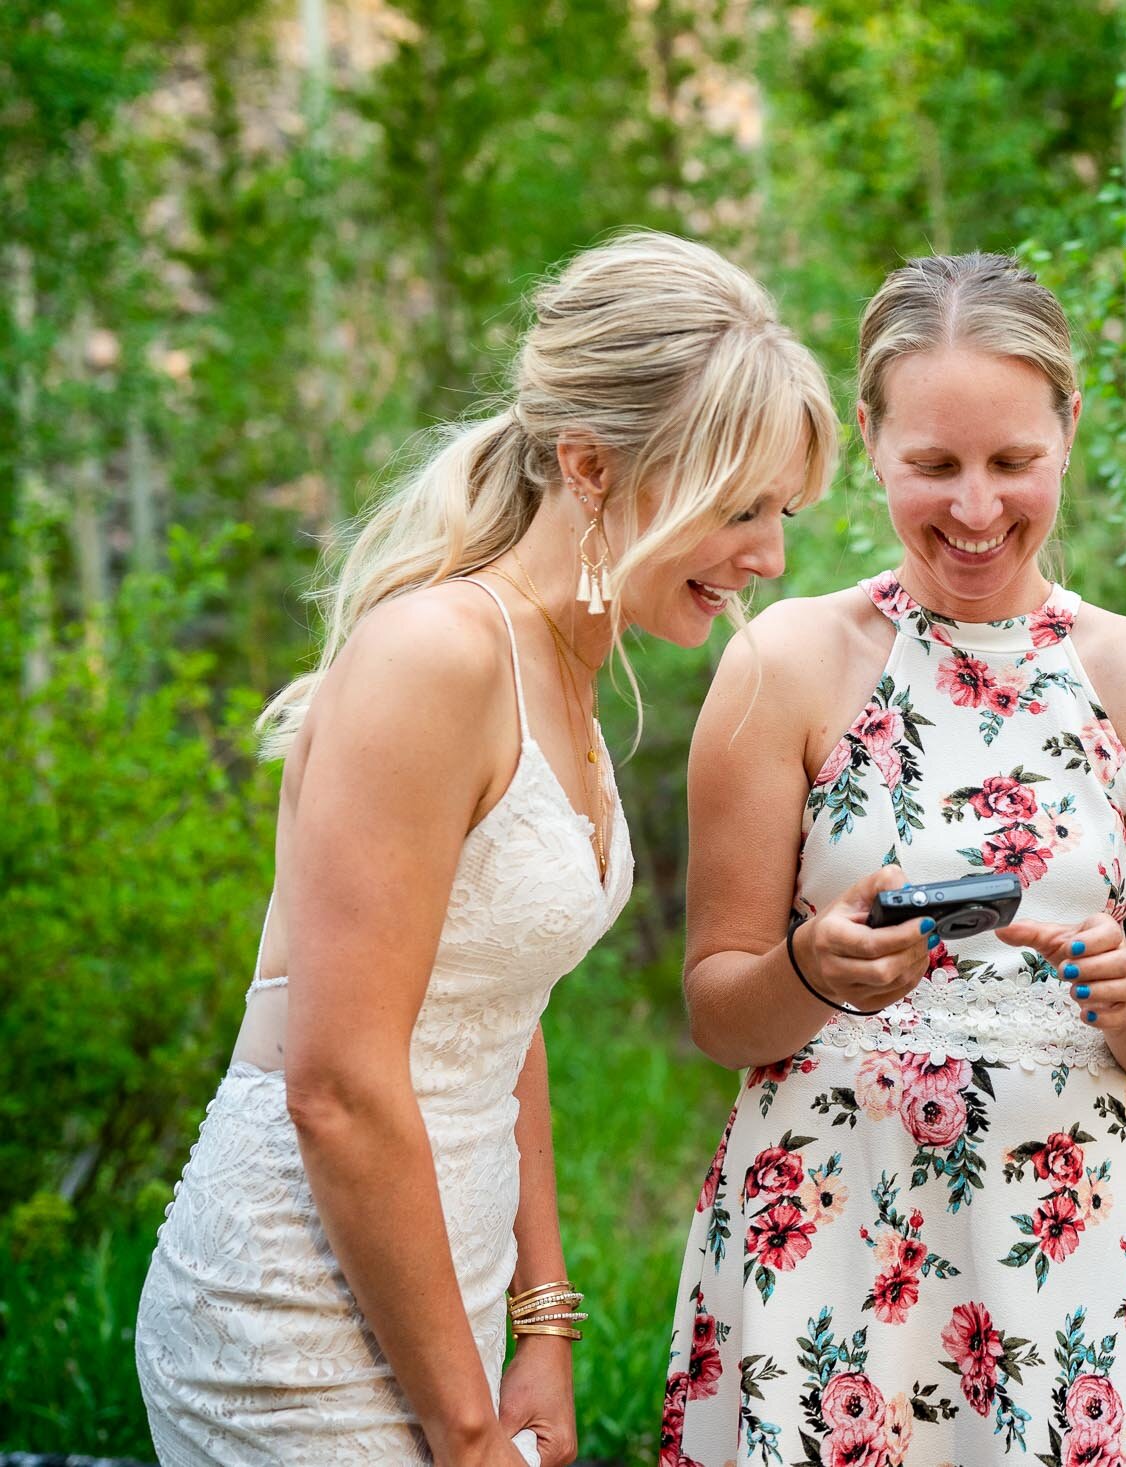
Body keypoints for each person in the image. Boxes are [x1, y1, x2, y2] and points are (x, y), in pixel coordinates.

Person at [135, 230, 837, 1467]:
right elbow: (338, 1088)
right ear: (590, 465)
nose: (771, 557)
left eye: (780, 512)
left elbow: (505, 1014)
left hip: (441, 1303)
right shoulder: (435, 656)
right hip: (293, 1329)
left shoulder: (569, 670)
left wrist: (542, 1324)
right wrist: (463, 1435)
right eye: (740, 509)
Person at [663, 252, 1126, 1467]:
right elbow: (719, 1007)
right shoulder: (783, 662)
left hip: (1074, 1246)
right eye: (933, 466)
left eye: (1010, 463)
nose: (975, 510)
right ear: (869, 440)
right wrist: (813, 969)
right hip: (825, 1230)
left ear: (1070, 430)